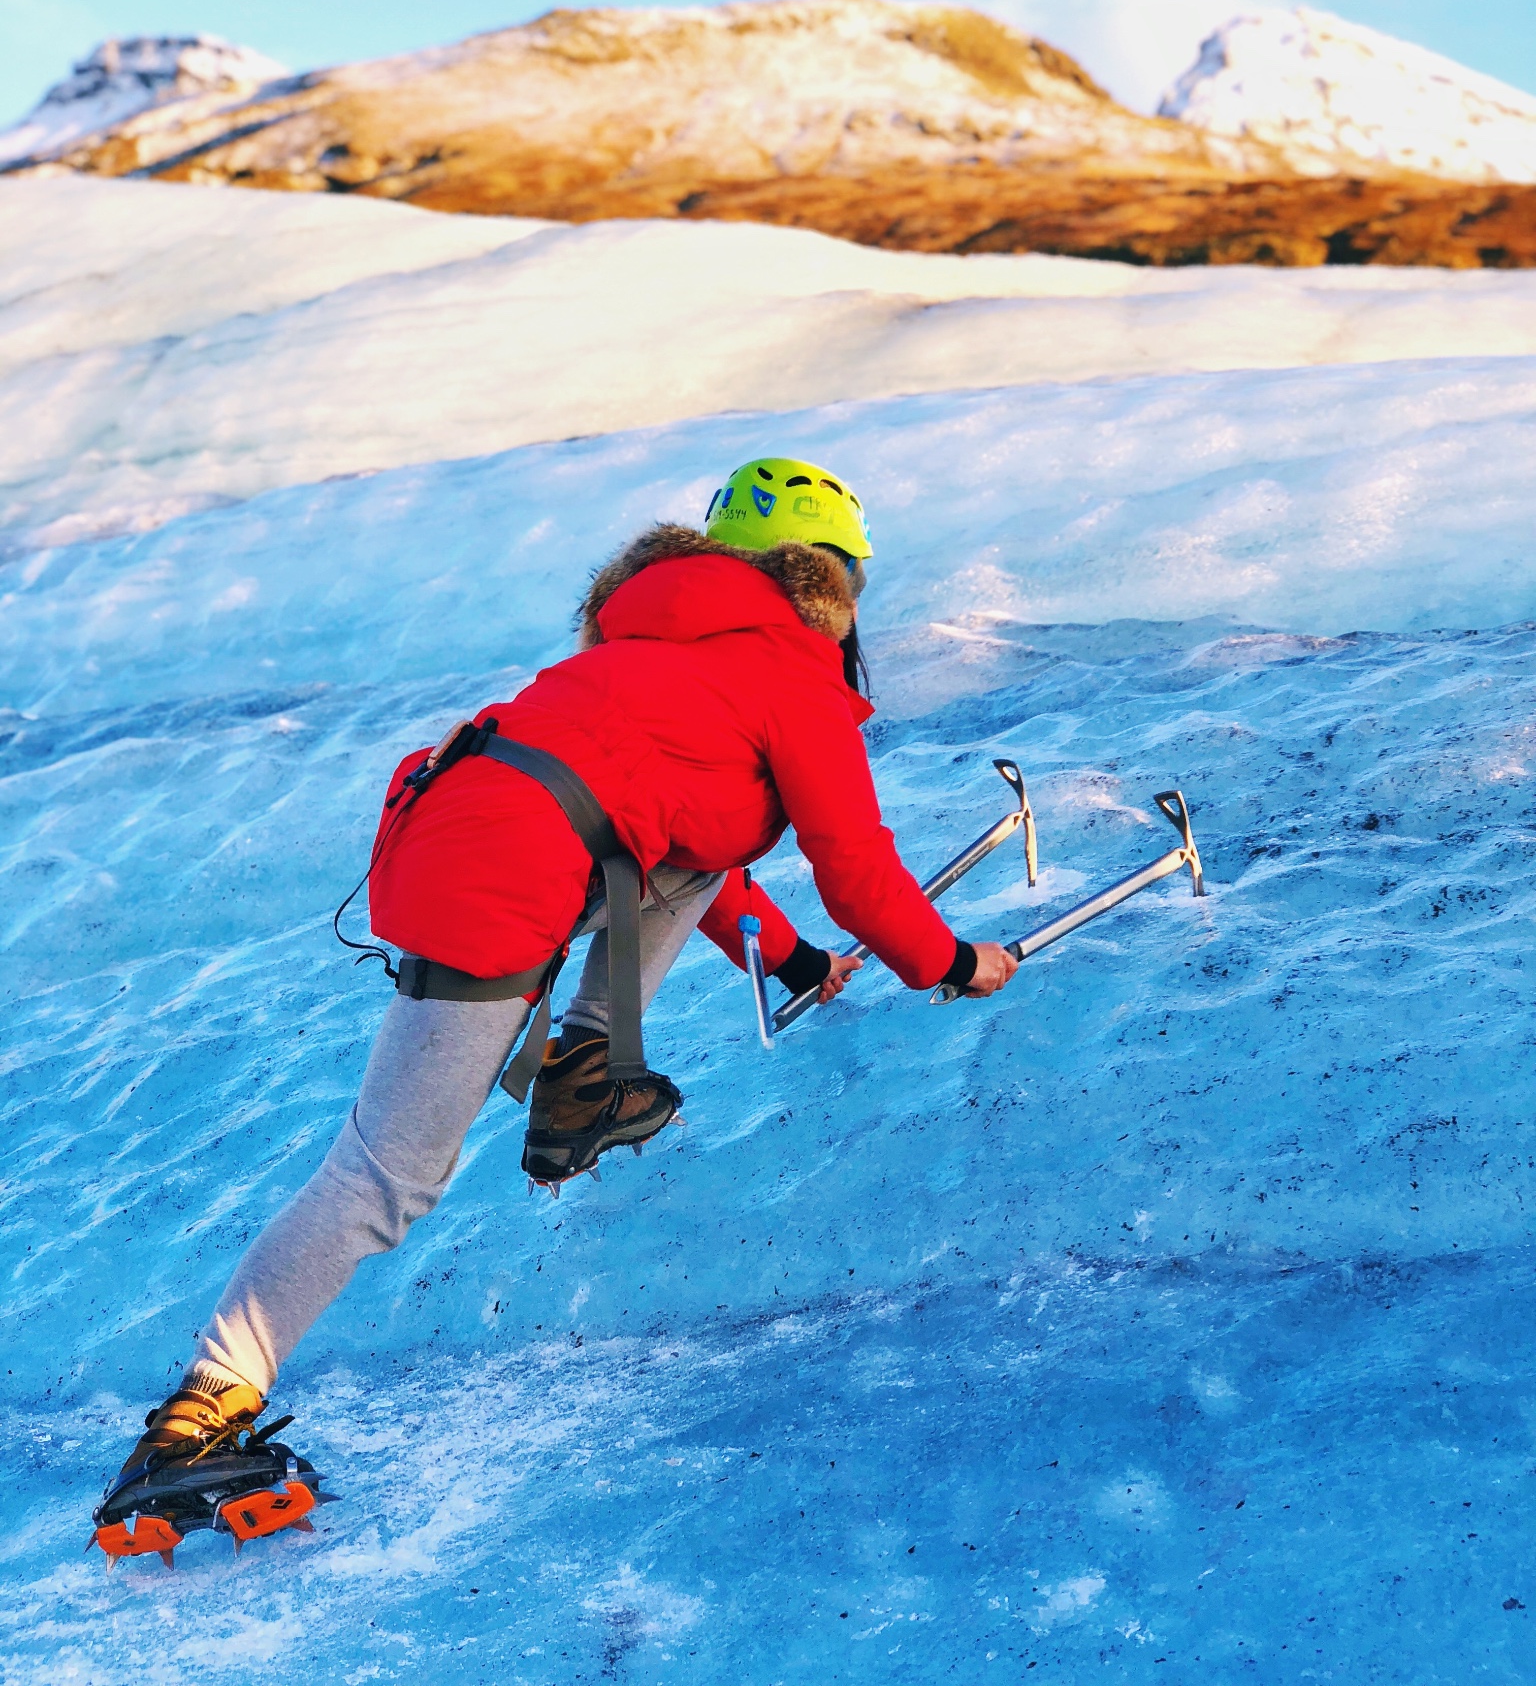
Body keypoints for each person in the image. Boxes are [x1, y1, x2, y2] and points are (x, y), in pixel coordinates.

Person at [92, 454, 1019, 1559]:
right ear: (831, 586)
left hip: (475, 832)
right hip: (507, 873)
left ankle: (588, 1066)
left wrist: (789, 961)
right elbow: (857, 868)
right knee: (386, 1179)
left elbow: (688, 840)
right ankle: (193, 1422)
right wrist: (954, 962)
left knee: (683, 842)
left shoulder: (649, 652)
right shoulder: (792, 675)